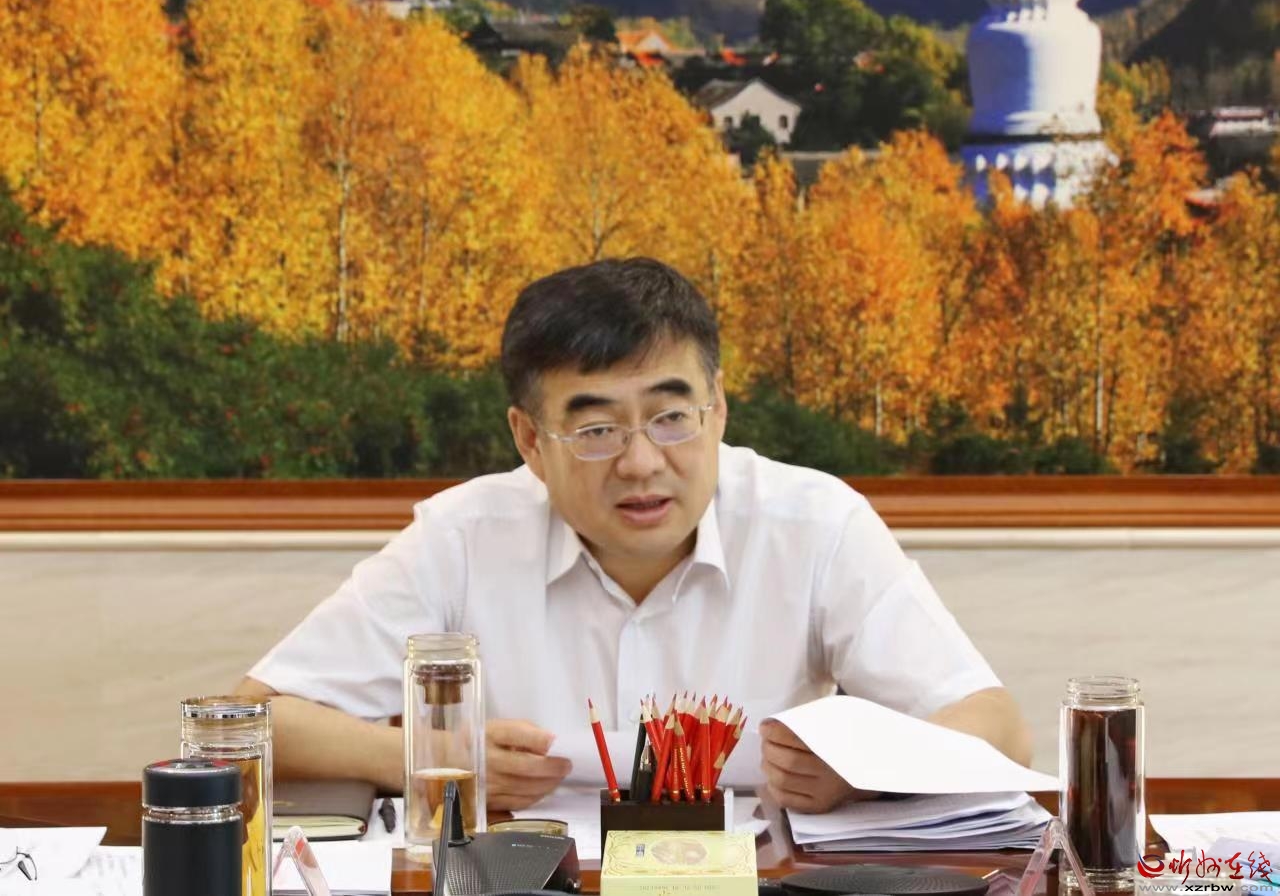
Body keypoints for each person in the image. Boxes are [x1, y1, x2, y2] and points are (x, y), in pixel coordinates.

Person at [235, 257, 1031, 813]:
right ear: (529, 440)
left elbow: (997, 728)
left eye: (672, 417)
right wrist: (433, 756)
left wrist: (862, 771)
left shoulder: (814, 524)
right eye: (596, 431)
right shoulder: (463, 536)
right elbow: (245, 723)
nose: (642, 462)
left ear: (719, 410)